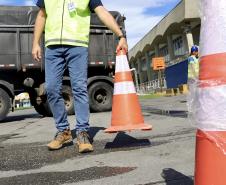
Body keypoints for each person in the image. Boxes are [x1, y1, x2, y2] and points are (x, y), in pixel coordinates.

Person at [32, 0, 128, 153]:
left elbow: (102, 12)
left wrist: (120, 35)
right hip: (52, 47)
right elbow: (42, 15)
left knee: (79, 88)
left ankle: (82, 132)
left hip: (77, 46)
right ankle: (63, 131)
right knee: (50, 88)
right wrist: (35, 43)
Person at [187, 45, 199, 114]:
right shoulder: (191, 58)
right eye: (196, 51)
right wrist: (198, 76)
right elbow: (193, 67)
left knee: (196, 94)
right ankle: (192, 109)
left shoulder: (196, 58)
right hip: (193, 78)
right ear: (194, 51)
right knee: (193, 94)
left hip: (195, 77)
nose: (197, 53)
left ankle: (195, 108)